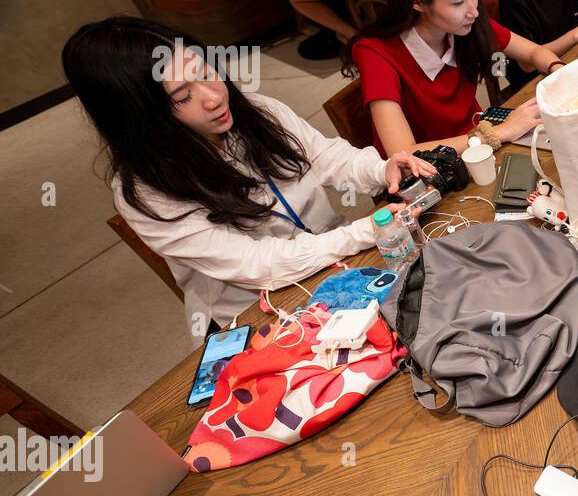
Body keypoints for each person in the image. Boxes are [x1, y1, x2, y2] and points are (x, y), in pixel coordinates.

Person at [63, 17, 434, 339]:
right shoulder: (146, 193)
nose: (213, 97)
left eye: (206, 72)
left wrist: (378, 168)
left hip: (339, 260)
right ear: (142, 117)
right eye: (182, 95)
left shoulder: (256, 109)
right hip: (267, 309)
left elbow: (324, 156)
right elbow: (260, 265)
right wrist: (362, 232)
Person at [344, 0, 562, 158]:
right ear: (418, 2)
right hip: (430, 174)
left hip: (479, 146)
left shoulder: (464, 24)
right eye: (458, 2)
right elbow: (404, 154)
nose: (474, 11)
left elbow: (534, 51)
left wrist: (559, 71)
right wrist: (499, 132)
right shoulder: (375, 54)